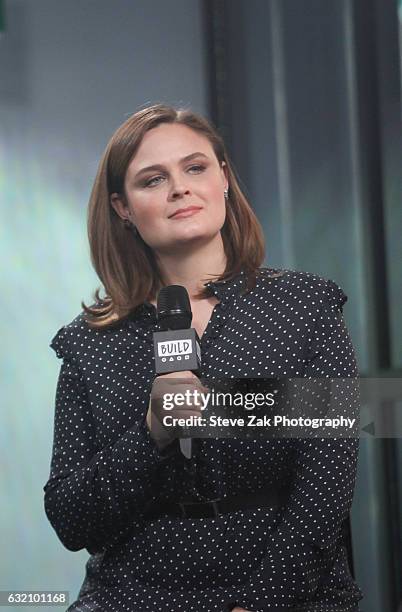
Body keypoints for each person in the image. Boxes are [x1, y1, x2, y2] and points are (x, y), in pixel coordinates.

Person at [43, 103, 364, 612]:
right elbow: (71, 518)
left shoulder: (306, 307)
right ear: (123, 208)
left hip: (287, 596)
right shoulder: (89, 343)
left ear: (224, 180)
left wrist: (262, 603)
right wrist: (150, 434)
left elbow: (327, 482)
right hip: (132, 599)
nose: (179, 188)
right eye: (152, 179)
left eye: (195, 168)